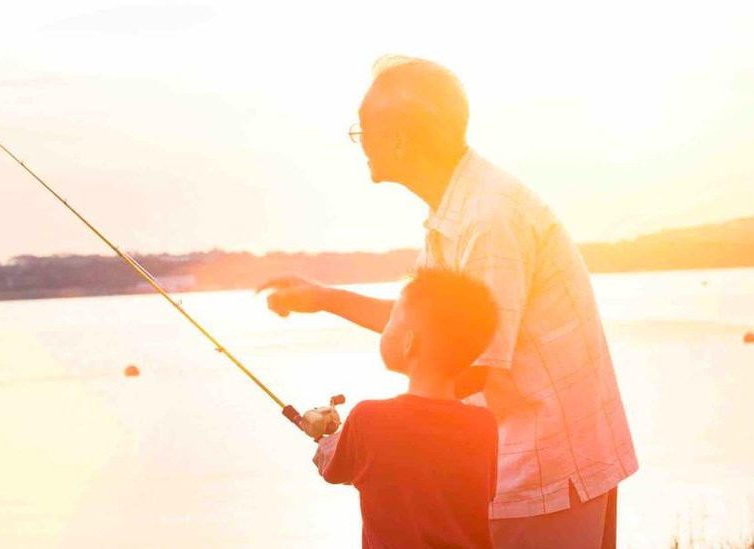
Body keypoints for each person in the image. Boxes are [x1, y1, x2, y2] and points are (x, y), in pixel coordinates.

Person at [258, 55, 637, 548]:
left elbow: (472, 366)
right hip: (515, 466)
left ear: (399, 139)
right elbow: (432, 329)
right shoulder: (458, 211)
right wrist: (325, 298)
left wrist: (366, 438)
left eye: (363, 129)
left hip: (545, 470)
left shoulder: (487, 220)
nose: (360, 141)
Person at [300, 268, 500, 549]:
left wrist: (327, 441)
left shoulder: (368, 418)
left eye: (392, 319)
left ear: (409, 342)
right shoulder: (484, 424)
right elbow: (482, 492)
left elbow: (333, 470)